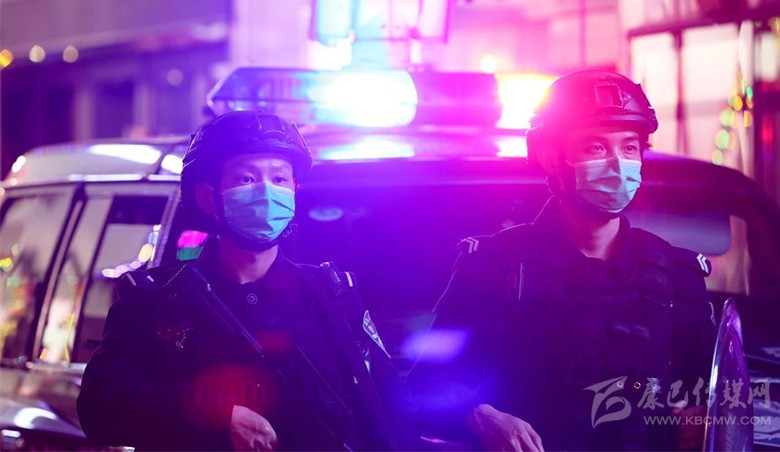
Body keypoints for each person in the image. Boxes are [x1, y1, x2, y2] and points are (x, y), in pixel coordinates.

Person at [410, 70, 716, 451]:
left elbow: (714, 398)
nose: (618, 165)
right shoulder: (492, 268)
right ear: (552, 159)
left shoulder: (675, 277)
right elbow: (424, 386)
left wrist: (699, 420)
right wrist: (480, 415)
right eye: (596, 148)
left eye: (629, 147)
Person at [77, 110, 415, 451]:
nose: (266, 192)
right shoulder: (158, 299)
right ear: (208, 198)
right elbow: (100, 408)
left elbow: (391, 407)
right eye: (246, 179)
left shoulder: (332, 294)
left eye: (279, 179)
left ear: (294, 190)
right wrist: (214, 418)